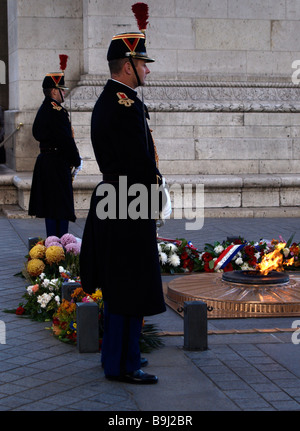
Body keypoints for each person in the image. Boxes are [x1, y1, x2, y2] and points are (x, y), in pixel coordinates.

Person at [79, 30, 167, 384]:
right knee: (128, 284)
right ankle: (121, 365)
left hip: (122, 198)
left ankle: (123, 357)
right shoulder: (122, 104)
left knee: (125, 283)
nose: (147, 70)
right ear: (128, 66)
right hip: (128, 201)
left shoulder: (117, 100)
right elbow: (139, 161)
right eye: (143, 63)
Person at [28, 71, 81, 237]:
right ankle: (60, 249)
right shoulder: (57, 111)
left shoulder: (44, 108)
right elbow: (66, 139)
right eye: (62, 89)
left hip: (46, 161)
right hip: (57, 163)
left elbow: (36, 132)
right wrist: (76, 159)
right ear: (53, 91)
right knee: (61, 209)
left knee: (51, 208)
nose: (64, 93)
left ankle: (52, 246)